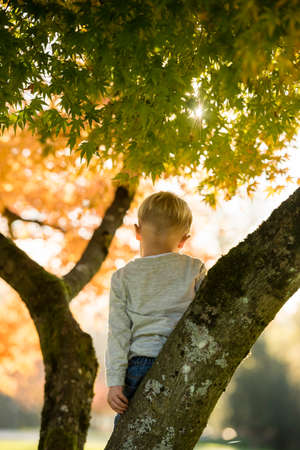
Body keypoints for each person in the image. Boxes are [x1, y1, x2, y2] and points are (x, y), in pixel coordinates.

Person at [105, 191, 207, 428]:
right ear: (184, 239)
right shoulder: (194, 269)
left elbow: (118, 333)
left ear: (137, 231)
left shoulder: (123, 277)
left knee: (128, 430)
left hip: (140, 363)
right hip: (183, 360)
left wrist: (115, 383)